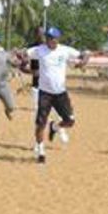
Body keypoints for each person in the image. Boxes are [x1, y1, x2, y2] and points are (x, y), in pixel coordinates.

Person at [19, 27, 89, 164]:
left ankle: (55, 127)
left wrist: (84, 61)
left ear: (58, 38)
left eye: (54, 38)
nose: (51, 40)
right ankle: (40, 151)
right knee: (40, 124)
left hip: (60, 94)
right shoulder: (39, 50)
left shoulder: (65, 50)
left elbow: (84, 54)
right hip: (44, 93)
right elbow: (22, 54)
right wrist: (23, 61)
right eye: (49, 38)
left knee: (70, 121)